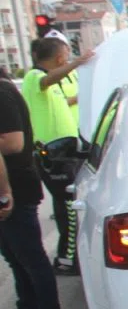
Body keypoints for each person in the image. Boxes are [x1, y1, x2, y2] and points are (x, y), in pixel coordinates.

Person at [0, 74, 70, 309]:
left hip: (16, 188)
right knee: (13, 255)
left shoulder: (3, 93)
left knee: (30, 256)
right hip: (9, 189)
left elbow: (14, 142)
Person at [22, 37, 89, 276]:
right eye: (66, 55)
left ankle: (69, 257)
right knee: (68, 207)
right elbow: (47, 80)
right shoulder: (34, 77)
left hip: (63, 151)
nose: (67, 59)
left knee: (69, 204)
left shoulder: (50, 84)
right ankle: (66, 260)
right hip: (52, 153)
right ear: (60, 57)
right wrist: (76, 63)